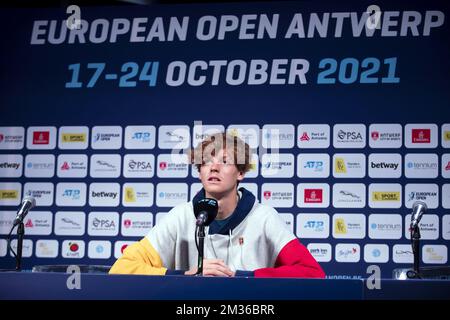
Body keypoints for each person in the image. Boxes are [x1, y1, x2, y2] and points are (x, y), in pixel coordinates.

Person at [109, 132, 325, 278]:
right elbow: (122, 268)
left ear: (241, 173)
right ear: (199, 171)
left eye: (224, 161)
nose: (213, 168)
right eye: (206, 161)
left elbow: (312, 272)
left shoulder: (264, 217)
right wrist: (185, 276)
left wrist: (241, 277)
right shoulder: (180, 216)